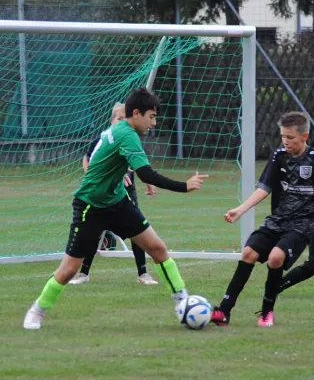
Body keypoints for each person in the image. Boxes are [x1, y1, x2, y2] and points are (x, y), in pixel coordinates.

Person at [23, 86, 209, 330]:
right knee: (70, 268)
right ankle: (37, 310)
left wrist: (115, 173)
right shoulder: (126, 134)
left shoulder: (122, 129)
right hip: (91, 204)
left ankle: (182, 302)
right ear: (136, 113)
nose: (154, 123)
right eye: (151, 117)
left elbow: (107, 157)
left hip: (117, 201)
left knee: (157, 248)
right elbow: (145, 173)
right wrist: (184, 186)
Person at [210, 111, 314, 327]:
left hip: (303, 224)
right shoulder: (279, 155)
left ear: (304, 136)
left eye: (290, 137)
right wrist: (240, 210)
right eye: (283, 136)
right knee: (248, 253)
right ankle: (224, 311)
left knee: (275, 258)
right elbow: (264, 188)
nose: (285, 141)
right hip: (278, 219)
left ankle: (267, 312)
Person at [68, 102, 159, 285]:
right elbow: (87, 158)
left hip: (126, 194)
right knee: (94, 232)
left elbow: (141, 165)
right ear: (112, 120)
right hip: (103, 196)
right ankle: (84, 273)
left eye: (124, 118)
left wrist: (148, 184)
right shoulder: (104, 139)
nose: (121, 121)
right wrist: (94, 178)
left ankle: (143, 273)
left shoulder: (129, 138)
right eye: (118, 118)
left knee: (137, 232)